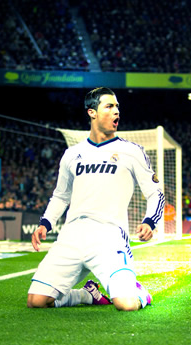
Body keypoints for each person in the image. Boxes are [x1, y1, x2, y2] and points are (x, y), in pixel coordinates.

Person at [27, 87, 165, 311]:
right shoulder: (72, 154)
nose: (116, 111)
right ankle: (87, 295)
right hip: (72, 236)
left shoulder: (132, 151)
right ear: (92, 112)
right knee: (36, 301)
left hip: (109, 237)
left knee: (126, 305)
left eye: (117, 106)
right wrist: (45, 223)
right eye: (109, 106)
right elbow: (61, 196)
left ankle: (140, 293)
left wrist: (150, 221)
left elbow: (155, 193)